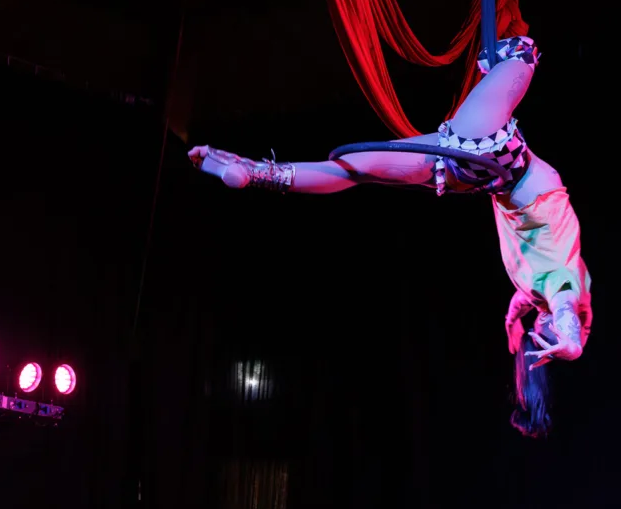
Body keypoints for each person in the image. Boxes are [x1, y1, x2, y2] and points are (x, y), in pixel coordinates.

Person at [189, 37, 591, 438]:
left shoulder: (563, 286)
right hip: (470, 175)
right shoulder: (543, 284)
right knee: (355, 172)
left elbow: (566, 310)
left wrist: (569, 341)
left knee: (523, 51)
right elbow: (541, 300)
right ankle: (257, 173)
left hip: (497, 151)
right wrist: (517, 320)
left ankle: (257, 171)